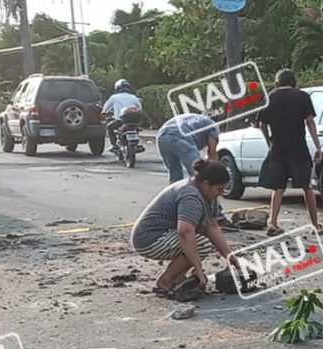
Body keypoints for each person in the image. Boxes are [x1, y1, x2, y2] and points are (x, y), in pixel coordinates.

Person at [130, 159, 241, 300]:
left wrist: (230, 256)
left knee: (202, 239)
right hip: (148, 240)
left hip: (163, 235)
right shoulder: (191, 196)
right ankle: (165, 282)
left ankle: (177, 277)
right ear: (206, 184)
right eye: (219, 189)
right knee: (202, 243)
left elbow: (212, 226)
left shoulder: (207, 195)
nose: (221, 193)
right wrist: (198, 269)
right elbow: (185, 232)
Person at [256, 69, 323, 237]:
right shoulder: (302, 97)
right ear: (295, 82)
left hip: (278, 149)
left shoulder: (270, 97)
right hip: (298, 149)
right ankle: (315, 225)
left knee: (278, 188)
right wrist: (318, 146)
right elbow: (310, 122)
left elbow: (262, 124)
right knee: (306, 187)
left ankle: (273, 223)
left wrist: (269, 141)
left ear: (276, 83)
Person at [156, 112, 230, 226]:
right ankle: (218, 217)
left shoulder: (194, 119)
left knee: (175, 180)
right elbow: (212, 152)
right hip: (181, 138)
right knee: (207, 179)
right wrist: (216, 173)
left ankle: (175, 215)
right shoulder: (213, 125)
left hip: (162, 136)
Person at [102, 79, 143, 153]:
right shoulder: (133, 97)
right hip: (133, 120)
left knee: (109, 127)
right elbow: (139, 108)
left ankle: (114, 145)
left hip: (120, 121)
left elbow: (106, 109)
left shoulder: (114, 97)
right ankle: (136, 144)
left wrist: (104, 112)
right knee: (136, 129)